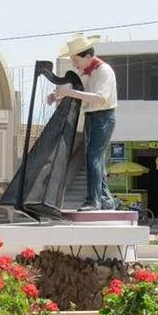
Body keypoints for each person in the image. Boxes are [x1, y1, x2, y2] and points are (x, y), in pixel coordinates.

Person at [48, 34, 117, 211]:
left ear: (87, 56)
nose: (73, 63)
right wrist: (56, 95)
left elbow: (100, 98)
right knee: (96, 159)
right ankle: (106, 199)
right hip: (91, 117)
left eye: (75, 59)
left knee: (93, 157)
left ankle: (93, 201)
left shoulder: (104, 70)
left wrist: (69, 93)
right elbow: (71, 89)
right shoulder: (84, 72)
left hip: (103, 117)